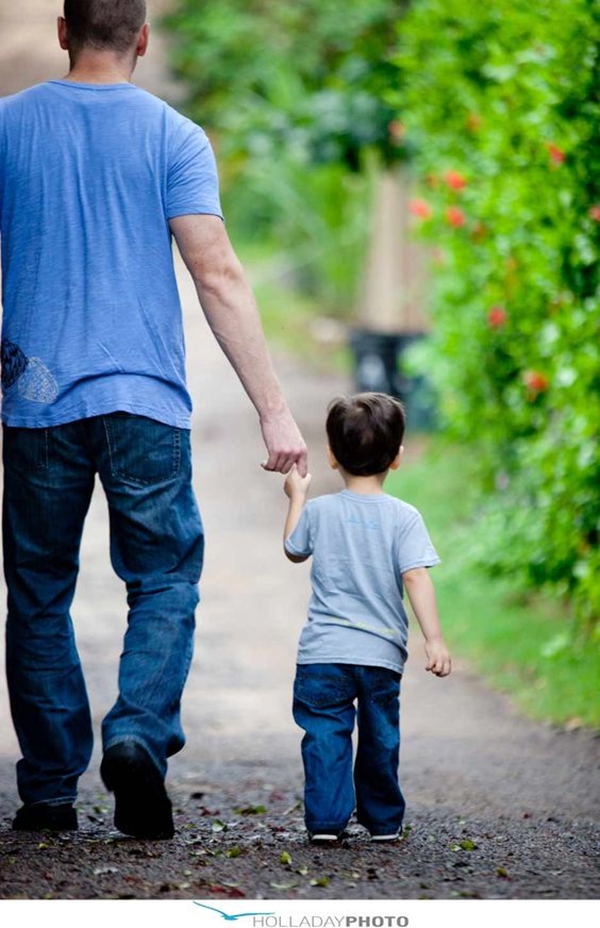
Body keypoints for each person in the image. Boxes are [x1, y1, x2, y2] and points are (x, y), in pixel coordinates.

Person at [0, 0, 307, 839]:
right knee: (164, 579)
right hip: (146, 402)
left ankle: (51, 791)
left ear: (62, 32)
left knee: (36, 593)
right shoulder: (175, 136)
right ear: (142, 37)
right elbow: (218, 275)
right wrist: (274, 414)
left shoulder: (7, 127)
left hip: (32, 400)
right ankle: (136, 733)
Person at [283, 392, 450, 844]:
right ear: (397, 458)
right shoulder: (404, 517)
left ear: (333, 456)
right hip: (379, 655)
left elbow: (294, 549)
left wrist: (296, 495)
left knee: (324, 734)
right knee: (380, 738)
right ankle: (382, 821)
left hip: (323, 654)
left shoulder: (319, 510)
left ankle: (325, 821)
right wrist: (433, 639)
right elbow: (415, 577)